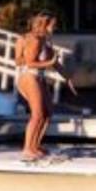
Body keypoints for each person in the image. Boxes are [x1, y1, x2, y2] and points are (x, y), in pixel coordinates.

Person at [14, 12, 59, 161]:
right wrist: (49, 63)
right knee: (37, 114)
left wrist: (68, 78)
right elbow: (29, 62)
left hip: (39, 76)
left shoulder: (45, 40)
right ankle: (27, 148)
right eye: (53, 25)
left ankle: (35, 145)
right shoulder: (34, 40)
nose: (55, 28)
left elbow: (55, 63)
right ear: (44, 25)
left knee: (47, 113)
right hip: (30, 76)